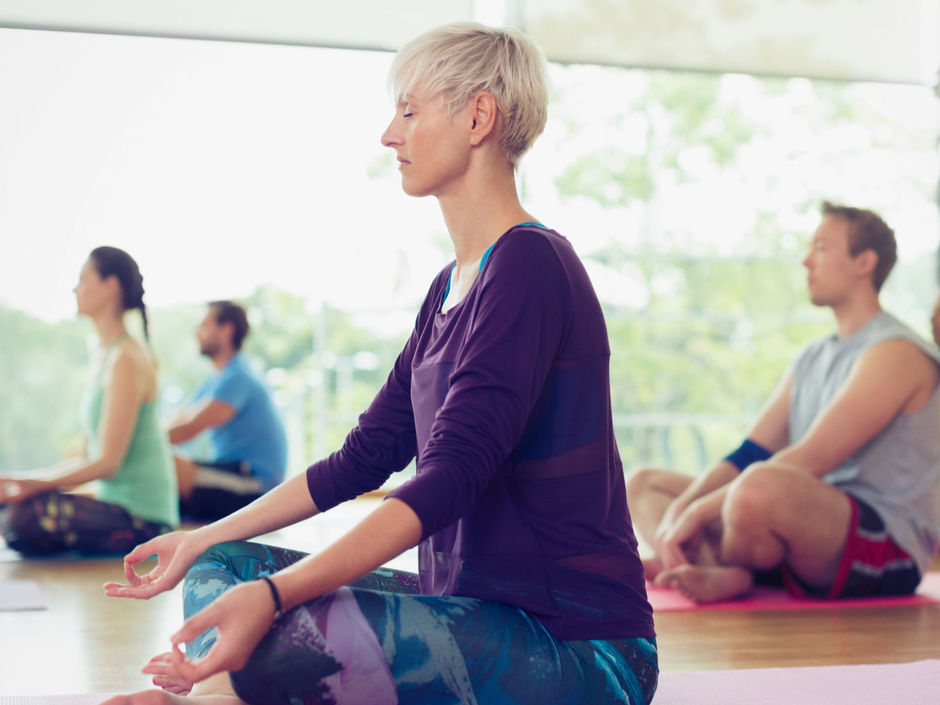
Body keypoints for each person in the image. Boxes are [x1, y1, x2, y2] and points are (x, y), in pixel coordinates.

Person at [102, 22, 658, 705]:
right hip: (472, 606)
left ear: (478, 116)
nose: (390, 134)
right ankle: (220, 677)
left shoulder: (531, 266)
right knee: (226, 564)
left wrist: (276, 596)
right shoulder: (449, 287)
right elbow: (361, 460)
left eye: (409, 110)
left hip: (578, 645)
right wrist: (201, 536)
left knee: (284, 625)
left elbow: (449, 476)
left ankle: (204, 697)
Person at [628, 203, 940, 604]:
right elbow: (749, 452)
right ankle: (720, 570)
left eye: (822, 248)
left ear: (864, 262)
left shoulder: (895, 352)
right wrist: (680, 509)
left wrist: (697, 514)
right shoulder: (812, 356)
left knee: (757, 488)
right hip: (799, 525)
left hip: (884, 544)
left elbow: (811, 460)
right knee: (645, 484)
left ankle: (714, 563)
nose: (806, 260)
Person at [0, 247, 178, 555]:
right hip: (113, 502)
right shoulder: (105, 355)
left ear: (110, 287)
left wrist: (32, 481)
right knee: (12, 507)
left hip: (144, 518)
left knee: (24, 517)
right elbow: (87, 456)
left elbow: (107, 463)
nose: (75, 288)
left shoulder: (127, 357)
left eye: (83, 279)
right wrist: (29, 484)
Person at [164, 301, 287, 520]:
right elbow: (180, 417)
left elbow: (188, 429)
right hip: (231, 472)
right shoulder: (217, 379)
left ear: (226, 330)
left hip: (255, 484)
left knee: (167, 463)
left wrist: (133, 445)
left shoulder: (238, 376)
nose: (197, 332)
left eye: (204, 325)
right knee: (162, 460)